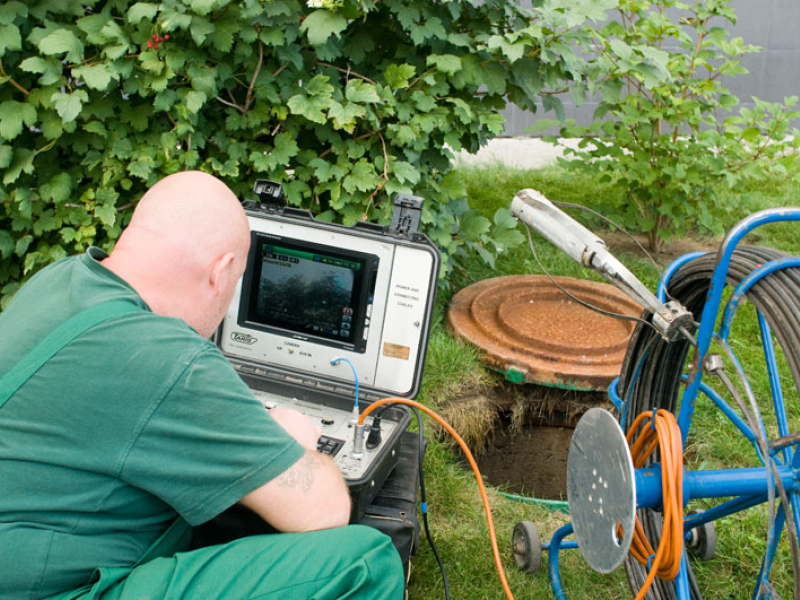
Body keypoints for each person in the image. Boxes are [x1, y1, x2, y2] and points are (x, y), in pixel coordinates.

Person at [0, 171, 404, 599]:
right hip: (51, 591)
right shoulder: (166, 358)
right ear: (222, 272)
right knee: (363, 562)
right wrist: (293, 442)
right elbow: (325, 511)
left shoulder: (59, 280)